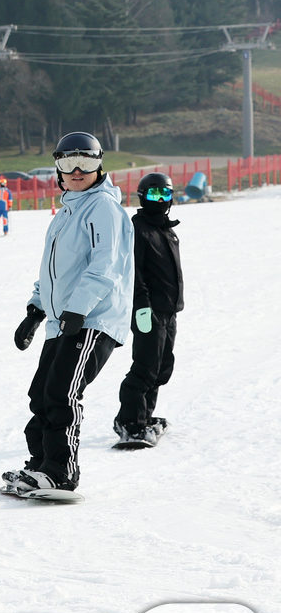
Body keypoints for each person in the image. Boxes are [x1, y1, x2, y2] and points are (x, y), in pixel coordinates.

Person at [4, 132, 132, 495]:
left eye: (86, 163)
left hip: (93, 319)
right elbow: (53, 271)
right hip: (64, 321)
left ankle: (62, 472)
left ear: (99, 165)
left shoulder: (103, 208)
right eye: (68, 164)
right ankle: (41, 466)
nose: (77, 171)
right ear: (58, 170)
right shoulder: (67, 211)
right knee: (41, 394)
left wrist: (77, 310)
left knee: (63, 393)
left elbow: (105, 266)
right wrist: (35, 309)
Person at [114, 172, 183, 446]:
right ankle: (130, 422)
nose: (160, 199)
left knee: (162, 366)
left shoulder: (166, 230)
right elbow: (134, 272)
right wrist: (142, 306)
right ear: (142, 197)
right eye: (154, 194)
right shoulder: (137, 229)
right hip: (148, 311)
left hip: (168, 310)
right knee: (145, 366)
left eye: (165, 194)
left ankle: (144, 417)